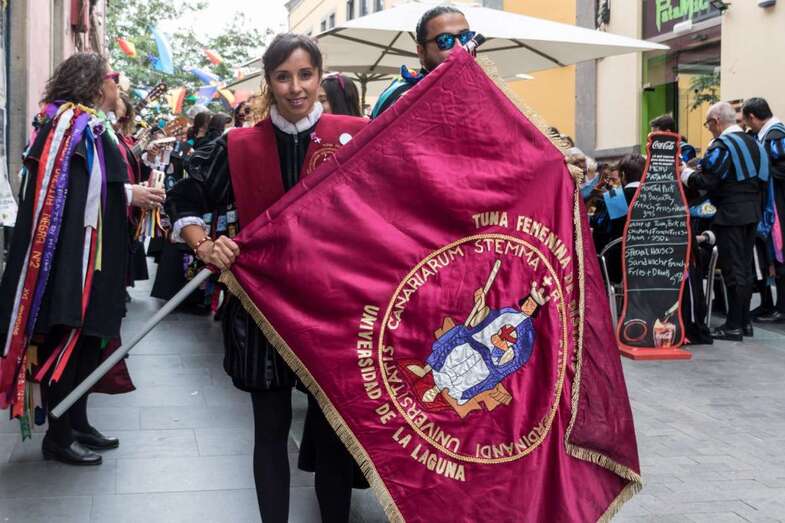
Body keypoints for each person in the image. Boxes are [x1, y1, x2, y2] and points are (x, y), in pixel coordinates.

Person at [166, 33, 368, 523]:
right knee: (270, 433)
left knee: (334, 439)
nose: (295, 87)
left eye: (305, 75)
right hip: (263, 310)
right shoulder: (238, 146)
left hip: (334, 311)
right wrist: (204, 243)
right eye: (283, 77)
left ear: (319, 76)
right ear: (269, 81)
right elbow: (184, 198)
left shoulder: (357, 137)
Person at [0, 53, 154, 465]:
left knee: (89, 341)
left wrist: (129, 195)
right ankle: (59, 435)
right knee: (67, 338)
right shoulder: (72, 124)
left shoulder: (90, 124)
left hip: (95, 257)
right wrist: (130, 194)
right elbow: (73, 188)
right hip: (71, 259)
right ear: (96, 83)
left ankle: (79, 422)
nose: (117, 87)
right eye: (113, 79)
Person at [682, 101, 768, 341]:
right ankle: (744, 323)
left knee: (732, 270)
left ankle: (733, 326)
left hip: (730, 214)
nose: (709, 129)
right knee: (745, 269)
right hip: (753, 211)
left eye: (708, 124)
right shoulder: (755, 143)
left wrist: (685, 173)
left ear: (716, 121)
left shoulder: (723, 145)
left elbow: (709, 181)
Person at [371, 5, 472, 118]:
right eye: (445, 40)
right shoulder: (402, 97)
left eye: (466, 37)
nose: (460, 47)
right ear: (421, 51)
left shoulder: (478, 93)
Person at [742, 97, 785, 324]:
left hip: (777, 204)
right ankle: (769, 304)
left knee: (778, 252)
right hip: (771, 203)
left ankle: (781, 307)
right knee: (766, 255)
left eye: (748, 122)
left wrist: (762, 172)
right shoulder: (768, 135)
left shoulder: (776, 135)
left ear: (752, 117)